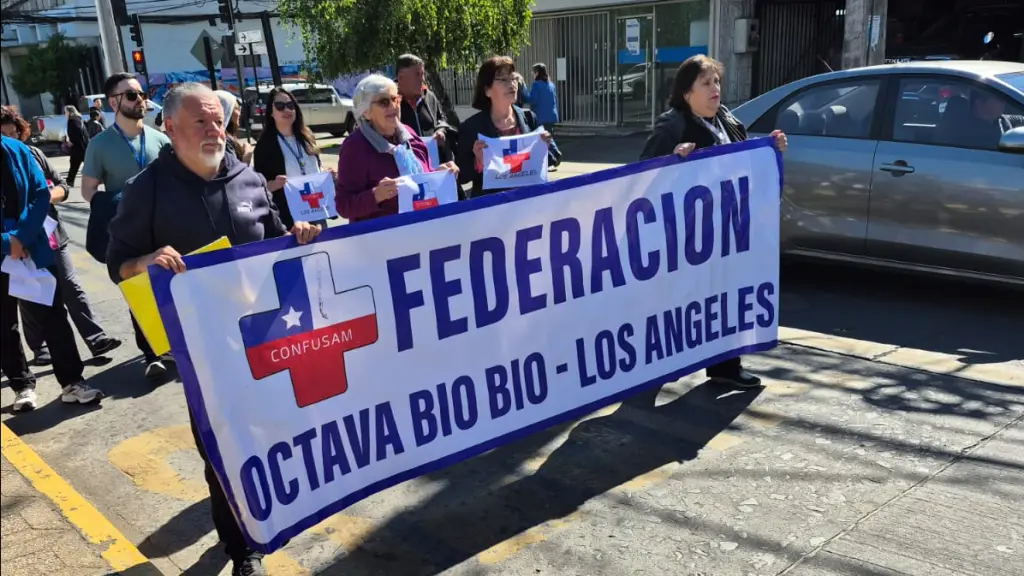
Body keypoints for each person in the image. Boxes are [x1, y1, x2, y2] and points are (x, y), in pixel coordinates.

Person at [106, 82, 320, 576]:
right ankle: (243, 548)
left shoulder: (248, 178)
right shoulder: (146, 189)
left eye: (217, 121)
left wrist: (298, 236)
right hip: (202, 349)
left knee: (273, 432)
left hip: (265, 335)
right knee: (224, 445)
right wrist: (145, 260)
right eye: (199, 121)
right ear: (170, 127)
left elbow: (273, 239)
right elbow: (118, 262)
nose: (213, 130)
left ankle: (275, 512)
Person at [640, 54, 788, 389]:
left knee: (724, 298)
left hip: (726, 232)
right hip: (685, 238)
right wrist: (673, 159)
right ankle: (661, 364)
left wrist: (772, 149)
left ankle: (725, 365)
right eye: (705, 83)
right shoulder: (672, 126)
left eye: (717, 81)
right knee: (681, 301)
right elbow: (643, 174)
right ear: (686, 93)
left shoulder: (728, 121)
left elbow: (747, 163)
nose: (715, 88)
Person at [1, 106, 121, 366]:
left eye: (13, 133)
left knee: (70, 286)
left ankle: (96, 338)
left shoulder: (33, 154)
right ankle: (39, 347)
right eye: (4, 134)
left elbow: (62, 186)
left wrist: (47, 196)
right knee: (30, 292)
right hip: (20, 238)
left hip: (51, 231)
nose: (10, 139)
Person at [2, 134, 103, 412]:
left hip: (31, 246)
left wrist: (20, 236)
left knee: (53, 315)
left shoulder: (17, 150)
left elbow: (40, 194)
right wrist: (7, 242)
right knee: (4, 324)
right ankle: (21, 385)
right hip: (7, 247)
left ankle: (72, 382)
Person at [82, 72, 172, 380]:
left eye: (141, 94)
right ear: (113, 102)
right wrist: (117, 204)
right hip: (129, 232)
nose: (140, 100)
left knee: (172, 286)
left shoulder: (160, 139)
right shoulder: (100, 144)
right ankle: (152, 354)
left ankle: (175, 344)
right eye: (131, 95)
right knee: (139, 289)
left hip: (165, 226)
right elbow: (89, 191)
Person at [335, 74, 460, 222]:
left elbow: (421, 181)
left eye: (395, 99)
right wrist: (376, 195)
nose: (393, 106)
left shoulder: (410, 135)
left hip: (422, 227)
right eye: (384, 102)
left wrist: (440, 174)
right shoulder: (354, 147)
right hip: (383, 233)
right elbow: (343, 205)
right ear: (366, 112)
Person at [456, 56, 561, 199]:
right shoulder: (471, 127)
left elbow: (550, 160)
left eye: (513, 78)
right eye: (503, 80)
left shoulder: (530, 118)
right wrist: (478, 162)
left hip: (528, 203)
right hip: (492, 207)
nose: (512, 84)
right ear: (487, 90)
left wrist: (544, 148)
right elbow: (462, 176)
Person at [252, 87, 329, 229]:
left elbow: (315, 166)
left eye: (290, 105)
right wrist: (274, 184)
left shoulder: (307, 136)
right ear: (271, 112)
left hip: (316, 207)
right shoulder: (265, 145)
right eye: (280, 106)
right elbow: (258, 188)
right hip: (290, 217)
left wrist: (325, 172)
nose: (286, 110)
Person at [396, 53, 458, 163]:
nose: (422, 79)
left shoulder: (429, 96)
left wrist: (441, 131)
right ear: (401, 77)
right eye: (417, 74)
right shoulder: (389, 102)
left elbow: (440, 120)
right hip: (405, 166)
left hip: (433, 165)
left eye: (423, 74)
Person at [65, 106, 89, 187]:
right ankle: (69, 181)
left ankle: (69, 181)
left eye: (66, 112)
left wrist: (72, 141)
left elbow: (77, 131)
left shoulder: (73, 120)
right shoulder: (78, 119)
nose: (65, 114)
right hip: (81, 146)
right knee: (75, 163)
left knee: (77, 163)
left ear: (69, 112)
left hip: (79, 146)